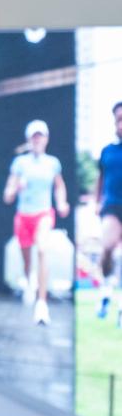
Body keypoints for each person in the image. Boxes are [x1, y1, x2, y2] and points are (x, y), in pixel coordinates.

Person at [2, 119, 70, 326]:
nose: (38, 139)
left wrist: (61, 202)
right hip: (23, 216)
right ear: (29, 139)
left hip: (43, 214)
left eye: (41, 135)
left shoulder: (52, 163)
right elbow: (7, 195)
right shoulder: (20, 163)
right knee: (27, 261)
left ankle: (42, 304)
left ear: (46, 139)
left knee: (42, 250)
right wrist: (16, 188)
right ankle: (30, 280)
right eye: (34, 136)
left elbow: (59, 186)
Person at [95, 101, 122, 325]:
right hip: (112, 206)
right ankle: (105, 292)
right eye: (118, 119)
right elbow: (100, 179)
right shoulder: (107, 151)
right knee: (106, 249)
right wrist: (96, 202)